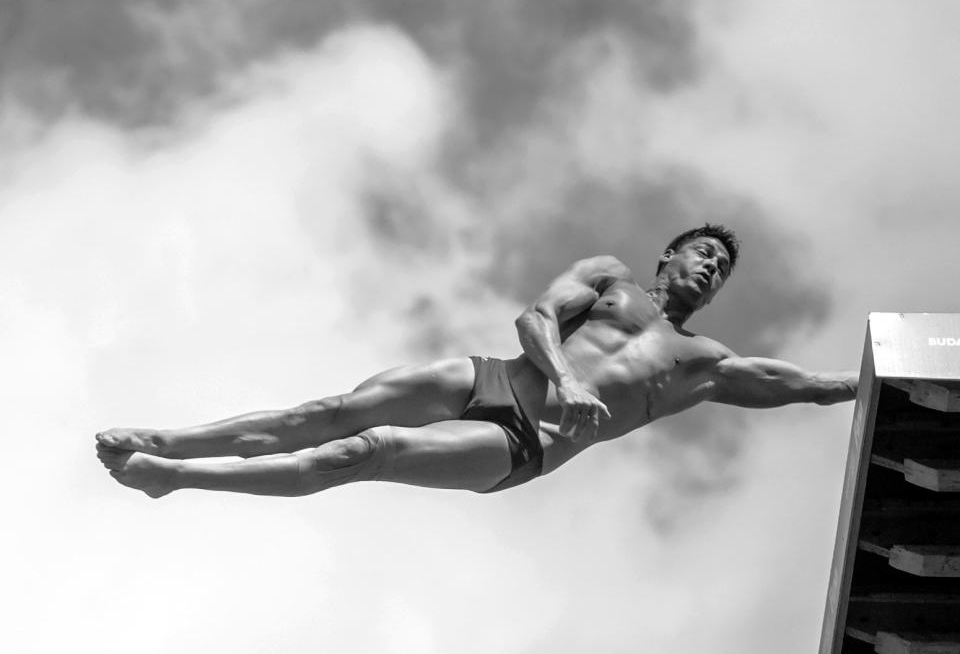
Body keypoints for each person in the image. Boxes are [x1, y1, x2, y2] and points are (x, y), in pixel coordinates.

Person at [95, 223, 858, 500]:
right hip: (498, 377)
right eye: (704, 252)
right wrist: (563, 377)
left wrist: (871, 382)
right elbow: (534, 317)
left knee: (366, 451)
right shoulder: (609, 276)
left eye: (722, 267)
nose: (711, 268)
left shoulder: (703, 362)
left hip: (530, 443)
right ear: (672, 253)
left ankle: (180, 477)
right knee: (324, 413)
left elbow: (813, 387)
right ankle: (170, 440)